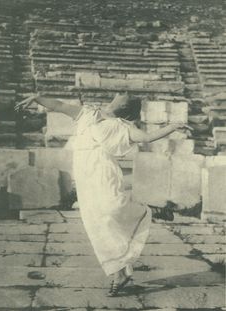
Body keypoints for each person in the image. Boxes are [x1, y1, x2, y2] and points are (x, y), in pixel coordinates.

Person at [15, 93, 191, 296]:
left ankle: (146, 211)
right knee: (95, 223)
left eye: (123, 95)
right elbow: (58, 105)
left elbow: (147, 137)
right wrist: (36, 98)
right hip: (84, 175)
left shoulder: (122, 126)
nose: (119, 94)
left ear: (125, 105)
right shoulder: (87, 112)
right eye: (119, 93)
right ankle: (119, 272)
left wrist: (172, 126)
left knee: (112, 207)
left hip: (103, 171)